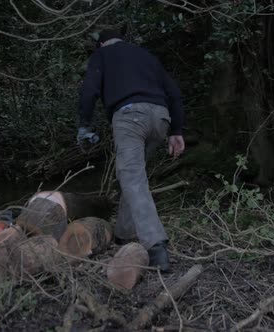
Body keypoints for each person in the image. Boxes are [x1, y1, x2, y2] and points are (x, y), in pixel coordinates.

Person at [76, 29, 185, 272]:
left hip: (129, 117)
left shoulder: (102, 55)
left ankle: (156, 246)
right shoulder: (146, 56)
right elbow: (174, 93)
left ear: (102, 43)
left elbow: (89, 90)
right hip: (160, 119)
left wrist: (84, 125)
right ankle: (123, 233)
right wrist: (176, 131)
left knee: (132, 175)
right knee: (132, 174)